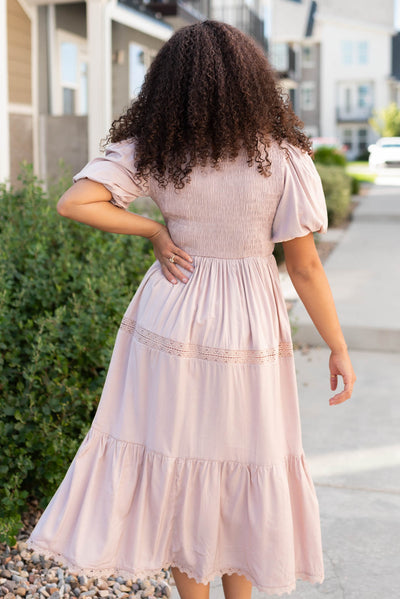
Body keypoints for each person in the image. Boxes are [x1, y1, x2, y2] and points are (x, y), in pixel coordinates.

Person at [27, 20, 356, 599]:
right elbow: (304, 267)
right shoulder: (284, 157)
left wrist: (153, 229)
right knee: (244, 459)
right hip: (250, 324)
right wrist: (338, 345)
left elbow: (75, 201)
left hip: (172, 311)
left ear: (170, 84)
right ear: (253, 81)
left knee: (183, 460)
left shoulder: (157, 148)